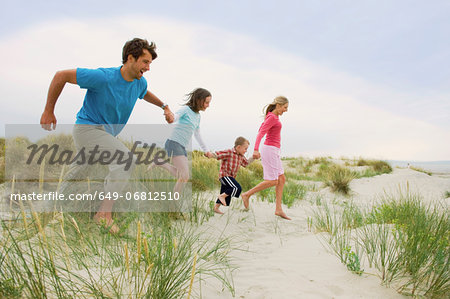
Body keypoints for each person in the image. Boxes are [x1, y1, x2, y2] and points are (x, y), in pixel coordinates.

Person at [40, 38, 174, 233]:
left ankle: (52, 209)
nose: (148, 67)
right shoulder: (103, 77)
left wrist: (164, 106)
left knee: (78, 172)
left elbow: (145, 93)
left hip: (104, 134)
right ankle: (103, 215)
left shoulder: (139, 83)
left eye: (150, 64)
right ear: (130, 58)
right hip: (88, 130)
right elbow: (61, 76)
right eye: (145, 62)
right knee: (125, 161)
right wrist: (48, 111)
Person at [148, 88, 212, 195]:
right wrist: (170, 118)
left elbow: (197, 134)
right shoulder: (186, 109)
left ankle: (159, 162)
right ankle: (175, 204)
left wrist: (206, 150)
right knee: (184, 176)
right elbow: (174, 118)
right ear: (198, 100)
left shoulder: (198, 116)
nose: (208, 105)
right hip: (174, 142)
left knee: (182, 175)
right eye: (206, 102)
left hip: (181, 146)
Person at [241, 96, 291, 220]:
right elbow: (261, 133)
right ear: (278, 105)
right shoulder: (272, 117)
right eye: (285, 107)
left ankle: (278, 209)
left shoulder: (274, 117)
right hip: (269, 150)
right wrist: (256, 149)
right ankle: (247, 195)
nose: (286, 110)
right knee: (273, 180)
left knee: (281, 179)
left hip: (275, 150)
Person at [207, 136, 254, 214]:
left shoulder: (241, 157)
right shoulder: (229, 152)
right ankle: (222, 197)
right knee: (237, 188)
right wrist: (210, 155)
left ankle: (216, 208)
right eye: (245, 149)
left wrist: (253, 157)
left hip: (231, 177)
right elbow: (218, 154)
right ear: (238, 147)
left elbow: (246, 163)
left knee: (224, 192)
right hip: (225, 176)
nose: (246, 151)